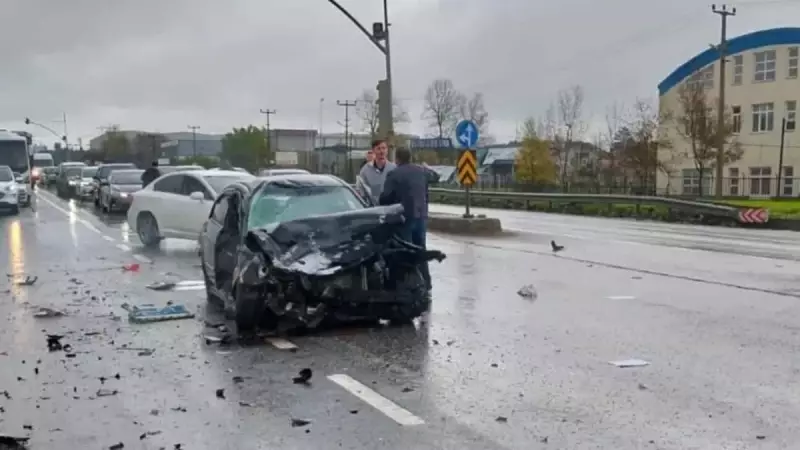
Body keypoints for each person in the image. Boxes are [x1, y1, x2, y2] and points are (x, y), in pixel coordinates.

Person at [379, 147, 432, 291]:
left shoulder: (394, 174)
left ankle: (408, 284)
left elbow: (385, 198)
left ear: (397, 159)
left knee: (405, 251)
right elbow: (427, 191)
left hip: (404, 218)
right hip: (421, 215)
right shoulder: (421, 172)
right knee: (420, 248)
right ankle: (425, 283)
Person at [357, 140, 395, 204]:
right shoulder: (365, 170)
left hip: (391, 208)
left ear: (387, 150)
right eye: (378, 149)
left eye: (384, 148)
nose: (382, 151)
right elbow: (361, 190)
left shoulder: (394, 169)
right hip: (374, 209)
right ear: (373, 151)